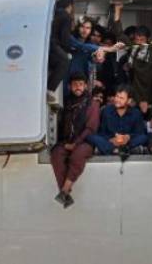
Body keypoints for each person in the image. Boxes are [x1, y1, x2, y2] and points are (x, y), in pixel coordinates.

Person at [51, 72, 100, 208]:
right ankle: (65, 195)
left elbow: (91, 128)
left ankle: (65, 189)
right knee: (56, 154)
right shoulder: (66, 103)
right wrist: (67, 143)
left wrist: (75, 143)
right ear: (69, 87)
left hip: (86, 141)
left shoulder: (92, 104)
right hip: (67, 141)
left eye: (80, 84)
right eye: (74, 85)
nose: (77, 87)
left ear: (86, 86)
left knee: (77, 156)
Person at [87, 85, 148, 157]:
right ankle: (118, 150)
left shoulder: (136, 113)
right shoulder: (106, 111)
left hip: (128, 142)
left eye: (121, 98)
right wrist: (111, 139)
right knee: (91, 137)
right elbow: (102, 133)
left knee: (145, 137)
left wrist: (127, 137)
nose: (117, 100)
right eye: (117, 96)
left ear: (129, 101)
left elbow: (140, 133)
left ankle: (120, 149)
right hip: (111, 143)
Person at [126, 25, 152, 114]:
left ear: (147, 39)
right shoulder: (133, 50)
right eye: (137, 39)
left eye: (142, 39)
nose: (139, 42)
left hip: (150, 92)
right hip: (135, 93)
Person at [47, 0, 75, 103]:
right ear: (69, 5)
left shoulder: (53, 13)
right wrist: (67, 51)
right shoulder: (66, 16)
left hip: (47, 45)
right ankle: (50, 89)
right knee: (65, 61)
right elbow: (64, 38)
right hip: (54, 45)